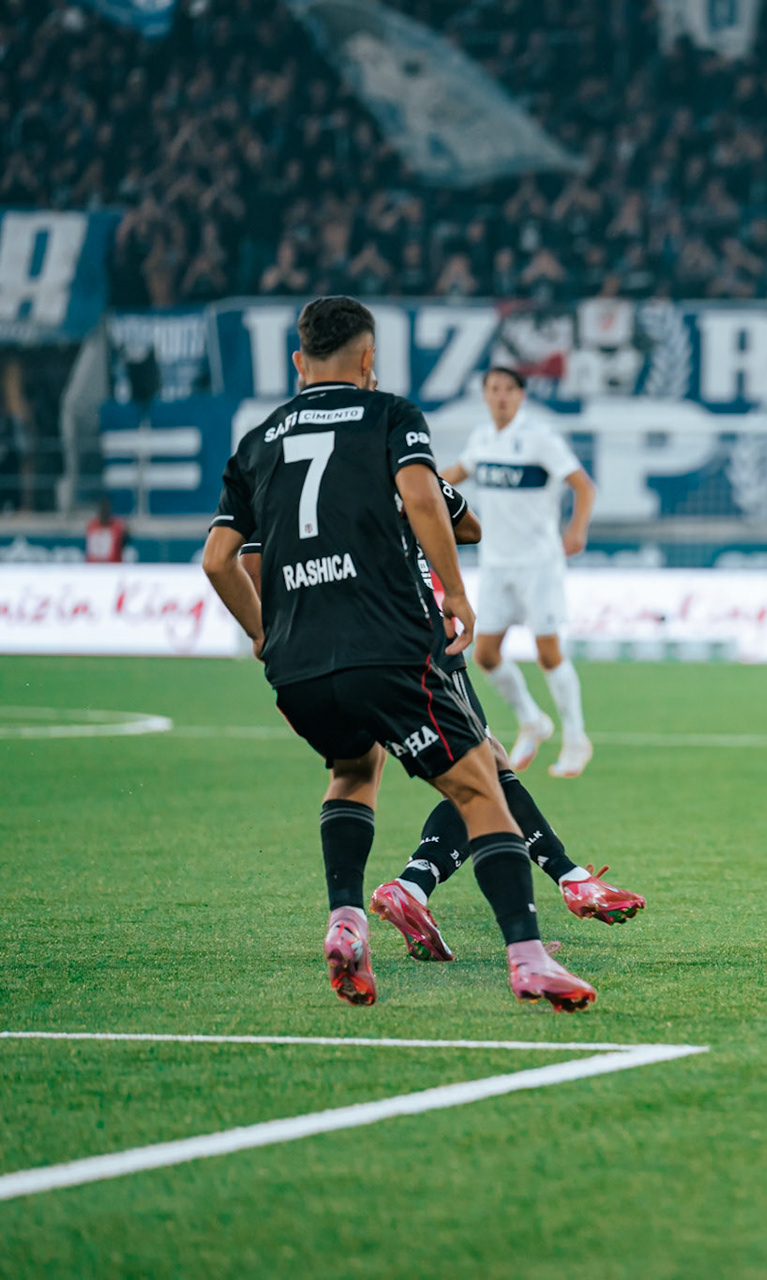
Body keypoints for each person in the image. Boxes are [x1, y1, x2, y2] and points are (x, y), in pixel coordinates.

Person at [200, 295, 596, 1011]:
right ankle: (529, 958)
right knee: (481, 786)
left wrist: (263, 635)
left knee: (352, 771)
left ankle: (346, 920)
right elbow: (428, 501)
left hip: (299, 662)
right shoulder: (389, 416)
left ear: (298, 361)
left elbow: (219, 559)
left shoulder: (257, 441)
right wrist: (456, 592)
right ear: (369, 359)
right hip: (386, 645)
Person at [237, 477, 647, 963]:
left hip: (327, 648)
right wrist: (424, 503)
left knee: (372, 771)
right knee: (480, 772)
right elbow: (469, 527)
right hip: (414, 632)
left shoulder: (278, 465)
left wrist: (271, 638)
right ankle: (550, 901)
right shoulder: (391, 457)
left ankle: (396, 896)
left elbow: (242, 560)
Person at [441, 368, 597, 777]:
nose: (501, 396)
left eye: (509, 389)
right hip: (495, 564)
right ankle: (532, 719)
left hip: (538, 564)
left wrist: (577, 529)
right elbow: (452, 476)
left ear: (521, 395)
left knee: (548, 652)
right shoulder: (482, 438)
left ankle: (576, 739)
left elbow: (584, 485)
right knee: (485, 654)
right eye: (494, 389)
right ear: (485, 395)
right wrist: (410, 483)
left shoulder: (539, 438)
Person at [84, 498, 127, 563]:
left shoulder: (118, 527)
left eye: (106, 511)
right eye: (103, 511)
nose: (104, 513)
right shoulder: (92, 526)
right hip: (94, 566)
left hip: (112, 566)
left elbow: (124, 543)